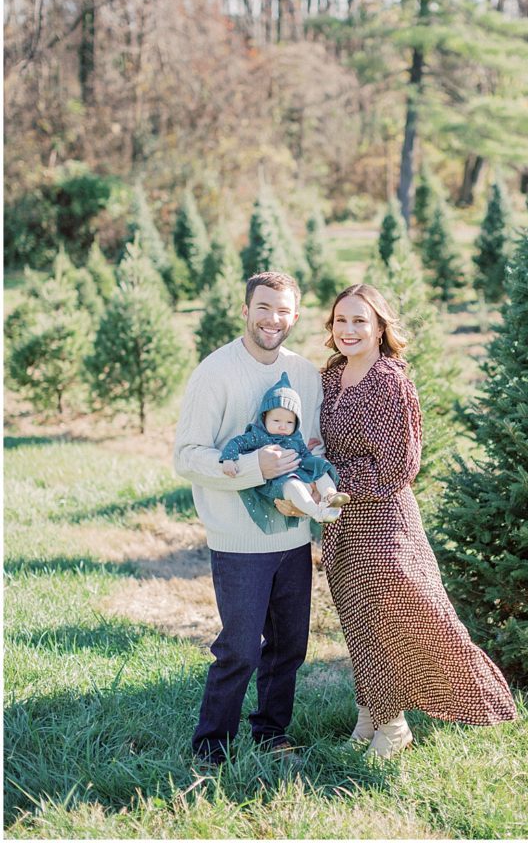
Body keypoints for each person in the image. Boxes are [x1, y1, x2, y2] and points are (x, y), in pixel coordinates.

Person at [277, 283, 517, 759]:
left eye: (360, 321)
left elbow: (399, 465)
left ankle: (397, 726)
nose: (349, 329)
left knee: (397, 615)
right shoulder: (332, 376)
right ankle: (371, 716)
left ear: (380, 327)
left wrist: (331, 480)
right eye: (341, 320)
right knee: (359, 620)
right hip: (340, 520)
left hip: (384, 519)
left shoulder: (391, 381)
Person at [174, 270, 322, 765]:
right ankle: (213, 744)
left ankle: (270, 731)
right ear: (245, 310)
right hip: (237, 540)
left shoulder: (305, 374)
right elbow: (187, 456)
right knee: (240, 647)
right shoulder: (215, 372)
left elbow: (311, 443)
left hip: (294, 535)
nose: (273, 319)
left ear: (295, 316)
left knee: (290, 645)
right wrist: (251, 468)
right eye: (263, 308)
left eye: (283, 311)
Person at [219, 370, 350, 525]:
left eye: (289, 423)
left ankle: (330, 495)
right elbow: (236, 443)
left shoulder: (295, 437)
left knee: (320, 470)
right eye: (276, 420)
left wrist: (313, 464)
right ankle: (317, 513)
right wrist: (228, 459)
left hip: (300, 471)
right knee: (294, 487)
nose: (282, 426)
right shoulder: (257, 435)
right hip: (280, 480)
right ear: (264, 417)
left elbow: (305, 454)